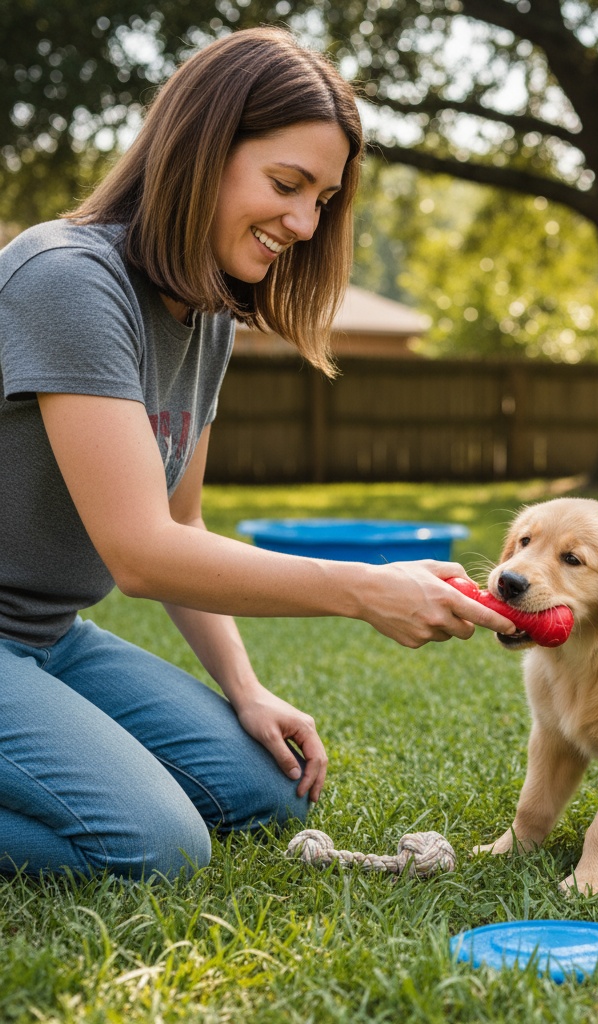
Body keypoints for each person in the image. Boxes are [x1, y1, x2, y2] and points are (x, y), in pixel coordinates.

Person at [0, 27, 513, 882]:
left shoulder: (204, 312)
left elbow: (182, 520)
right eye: (287, 185)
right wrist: (362, 590)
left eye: (323, 198)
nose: (305, 224)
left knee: (262, 789)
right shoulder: (66, 279)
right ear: (202, 149)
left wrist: (246, 688)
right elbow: (140, 553)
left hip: (49, 637)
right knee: (158, 847)